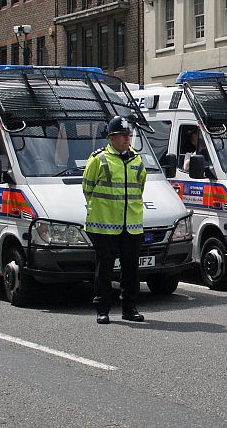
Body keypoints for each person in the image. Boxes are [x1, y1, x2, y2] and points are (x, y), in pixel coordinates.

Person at [83, 115, 147, 324]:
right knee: (105, 268)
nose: (127, 139)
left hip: (132, 224)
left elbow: (140, 187)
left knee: (131, 269)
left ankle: (130, 308)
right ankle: (102, 309)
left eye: (128, 135)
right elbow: (88, 188)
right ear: (111, 138)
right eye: (122, 136)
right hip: (105, 224)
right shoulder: (99, 159)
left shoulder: (137, 159)